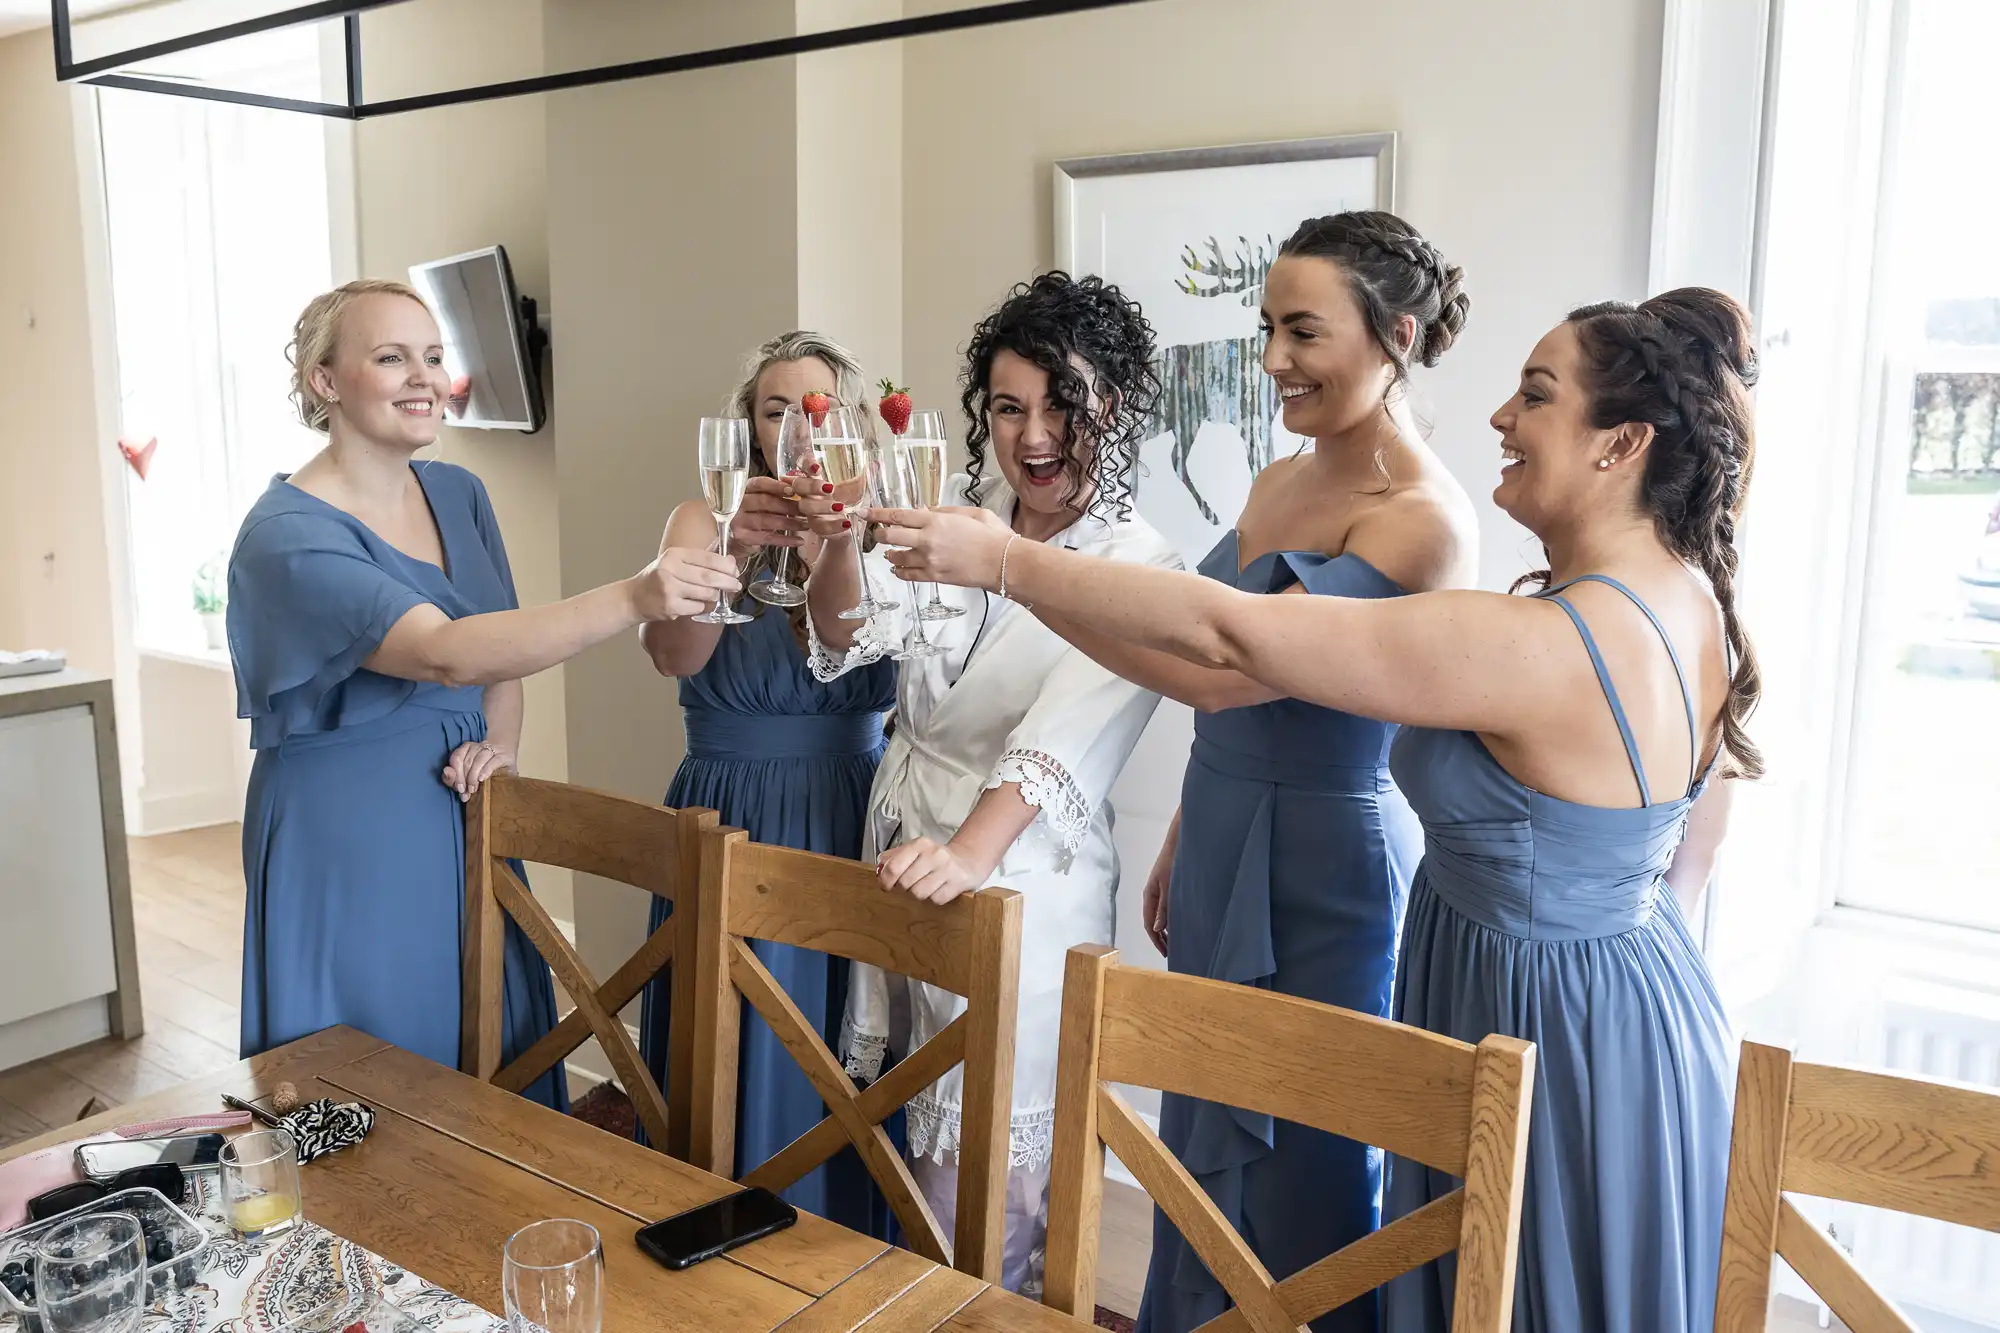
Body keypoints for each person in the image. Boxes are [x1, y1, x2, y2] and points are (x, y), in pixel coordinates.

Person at [874, 287, 1758, 1331]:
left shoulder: (1543, 642)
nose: (1497, 419)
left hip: (1545, 1026)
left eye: (1533, 395)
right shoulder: (1692, 597)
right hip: (1636, 999)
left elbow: (1232, 638)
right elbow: (1685, 854)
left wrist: (1012, 562)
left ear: (1620, 444)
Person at [991, 213, 1477, 1333]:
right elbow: (1197, 680)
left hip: (1327, 863)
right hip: (1219, 828)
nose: (1270, 362)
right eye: (1265, 328)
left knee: (1313, 1155)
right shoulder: (1275, 480)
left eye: (1301, 330)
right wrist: (1181, 833)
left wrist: (1020, 572)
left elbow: (1221, 666)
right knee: (1196, 1132)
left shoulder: (1422, 523)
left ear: (1394, 334)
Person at [229, 279, 740, 1109]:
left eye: (432, 356)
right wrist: (633, 596)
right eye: (391, 357)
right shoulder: (286, 536)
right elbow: (445, 654)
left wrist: (501, 746)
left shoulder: (459, 494)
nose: (422, 376)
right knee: (367, 1086)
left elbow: (501, 658)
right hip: (348, 837)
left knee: (492, 1049)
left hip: (468, 810)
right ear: (326, 381)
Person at [800, 273, 1181, 1294]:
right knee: (911, 1156)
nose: (1034, 432)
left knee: (999, 1186)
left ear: (1118, 404)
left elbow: (1066, 737)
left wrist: (970, 853)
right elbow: (844, 634)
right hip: (907, 857)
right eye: (1009, 406)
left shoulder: (1141, 561)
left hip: (1025, 886)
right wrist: (840, 539)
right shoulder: (955, 517)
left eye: (1063, 401)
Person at [634, 331, 899, 1237]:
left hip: (851, 803)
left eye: (813, 407)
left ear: (850, 420)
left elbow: (869, 647)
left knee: (840, 1033)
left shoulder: (884, 512)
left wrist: (840, 536)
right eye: (773, 408)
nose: (793, 427)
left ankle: (847, 1232)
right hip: (727, 805)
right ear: (748, 426)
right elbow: (674, 654)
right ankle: (710, 1216)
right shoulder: (700, 519)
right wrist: (736, 553)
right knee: (727, 1033)